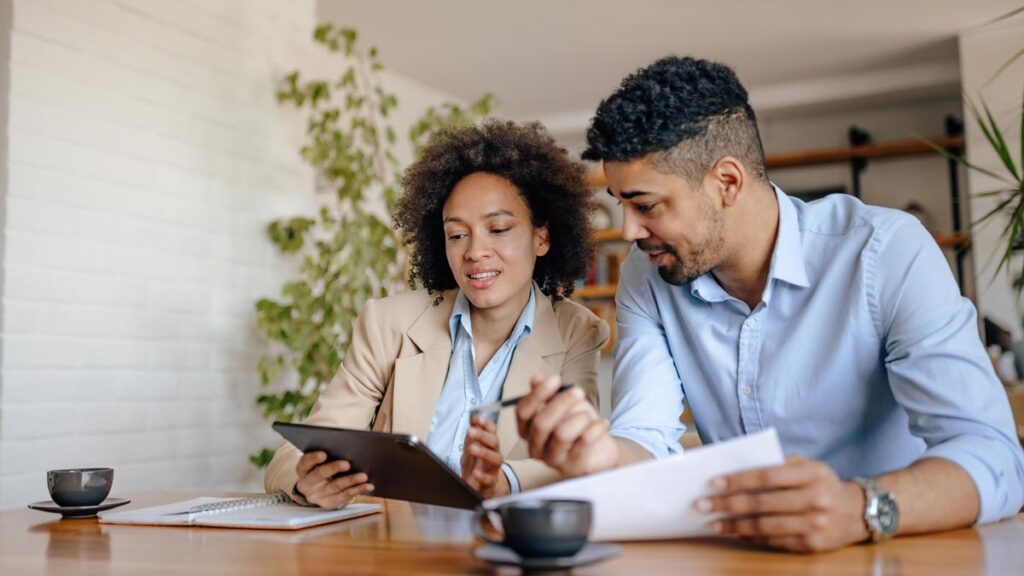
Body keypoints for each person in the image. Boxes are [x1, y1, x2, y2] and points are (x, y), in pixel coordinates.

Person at [514, 56, 1024, 552]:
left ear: (727, 182)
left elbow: (994, 456)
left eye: (646, 205)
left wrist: (855, 508)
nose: (628, 231)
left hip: (893, 552)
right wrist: (601, 455)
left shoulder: (885, 251)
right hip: (747, 559)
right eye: (623, 205)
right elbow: (644, 437)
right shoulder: (647, 278)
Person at [265, 120, 609, 508]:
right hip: (393, 550)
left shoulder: (577, 332)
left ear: (541, 236)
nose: (475, 251)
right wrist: (307, 480)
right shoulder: (388, 323)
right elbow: (291, 455)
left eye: (497, 229)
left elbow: (577, 460)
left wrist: (504, 480)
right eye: (457, 234)